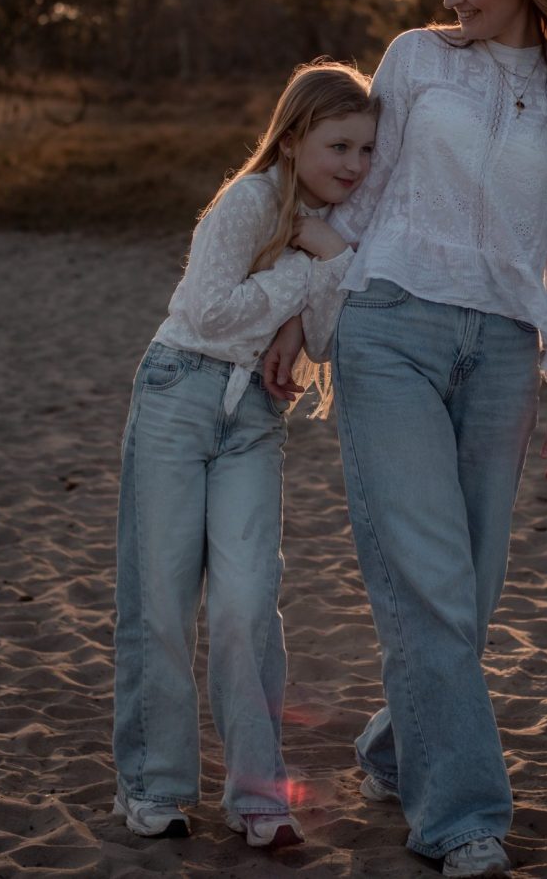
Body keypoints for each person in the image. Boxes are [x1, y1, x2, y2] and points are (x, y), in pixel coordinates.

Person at [265, 0, 547, 878]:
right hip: (390, 325)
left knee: (470, 588)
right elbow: (363, 192)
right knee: (427, 579)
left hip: (508, 349)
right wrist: (301, 311)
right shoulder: (418, 60)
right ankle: (461, 817)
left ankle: (396, 746)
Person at [112, 61, 378, 847]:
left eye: (365, 150)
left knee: (246, 607)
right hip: (177, 394)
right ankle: (152, 786)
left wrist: (319, 267)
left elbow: (326, 337)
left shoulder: (336, 227)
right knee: (160, 602)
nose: (354, 167)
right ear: (293, 140)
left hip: (258, 417)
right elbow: (206, 309)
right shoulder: (249, 199)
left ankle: (259, 797)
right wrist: (305, 267)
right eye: (338, 146)